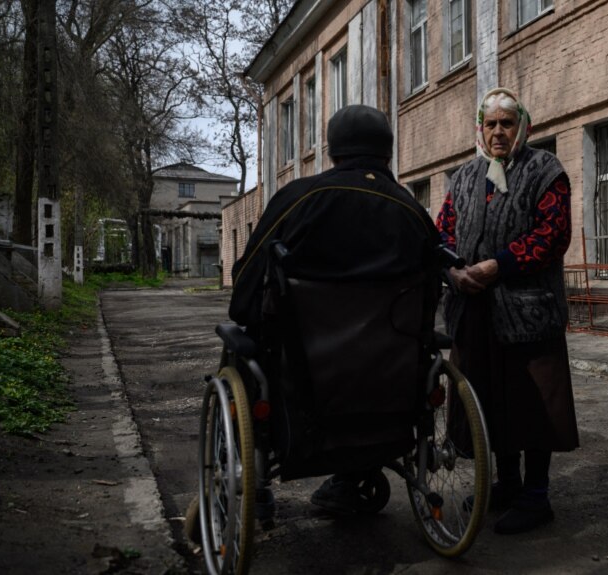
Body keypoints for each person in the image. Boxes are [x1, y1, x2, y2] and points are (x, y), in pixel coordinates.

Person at [229, 104, 439, 519]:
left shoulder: (298, 199)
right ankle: (352, 474)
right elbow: (431, 297)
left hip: (303, 388)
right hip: (390, 390)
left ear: (331, 152)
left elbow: (246, 286)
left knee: (241, 345)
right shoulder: (412, 211)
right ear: (388, 154)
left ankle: (252, 477)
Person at [436, 87, 579, 535]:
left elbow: (552, 235)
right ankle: (508, 483)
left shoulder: (544, 170)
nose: (498, 131)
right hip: (473, 311)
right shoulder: (463, 177)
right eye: (491, 123)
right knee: (489, 402)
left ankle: (536, 496)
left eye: (507, 123)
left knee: (532, 404)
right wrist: (453, 270)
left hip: (529, 316)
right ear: (480, 128)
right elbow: (443, 233)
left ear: (523, 127)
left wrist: (499, 265)